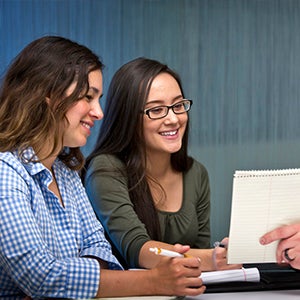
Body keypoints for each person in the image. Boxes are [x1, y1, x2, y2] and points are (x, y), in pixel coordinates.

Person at [0, 36, 205, 299]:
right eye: (87, 97)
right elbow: (40, 275)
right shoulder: (7, 173)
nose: (99, 112)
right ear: (47, 96)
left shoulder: (66, 172)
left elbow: (100, 250)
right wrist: (154, 281)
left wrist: (63, 283)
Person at [84, 57, 241, 271]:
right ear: (128, 117)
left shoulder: (196, 173)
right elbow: (136, 249)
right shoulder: (106, 169)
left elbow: (200, 251)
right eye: (156, 110)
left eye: (178, 105)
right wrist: (212, 259)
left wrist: (218, 254)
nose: (174, 119)